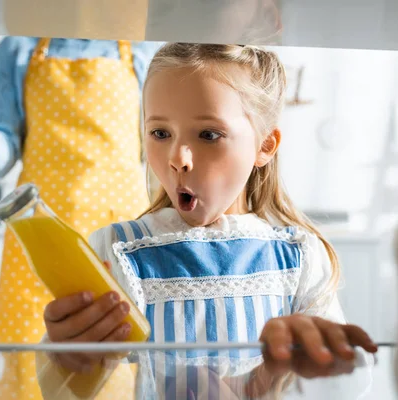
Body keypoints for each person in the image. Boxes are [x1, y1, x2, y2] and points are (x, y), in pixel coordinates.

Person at [36, 43, 379, 399]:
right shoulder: (118, 252)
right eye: (160, 133)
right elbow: (61, 391)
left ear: (265, 145)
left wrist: (304, 359)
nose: (178, 158)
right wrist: (65, 357)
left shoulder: (300, 258)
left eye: (208, 135)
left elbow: (349, 387)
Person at [0, 37, 163, 400]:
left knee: (111, 366)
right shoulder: (18, 48)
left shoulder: (141, 49)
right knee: (26, 368)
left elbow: (157, 147)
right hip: (35, 245)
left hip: (114, 243)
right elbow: (1, 154)